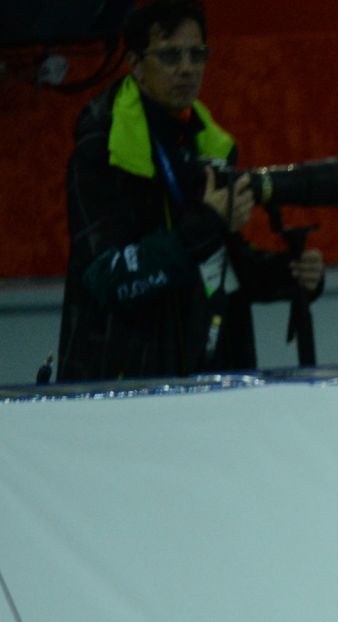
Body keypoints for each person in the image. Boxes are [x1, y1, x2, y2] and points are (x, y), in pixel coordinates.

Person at [57, 0, 324, 382]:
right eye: (169, 56)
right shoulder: (103, 152)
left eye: (197, 54)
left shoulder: (207, 145)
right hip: (122, 387)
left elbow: (222, 264)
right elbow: (108, 278)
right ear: (135, 65)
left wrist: (288, 273)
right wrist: (207, 224)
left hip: (214, 375)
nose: (187, 68)